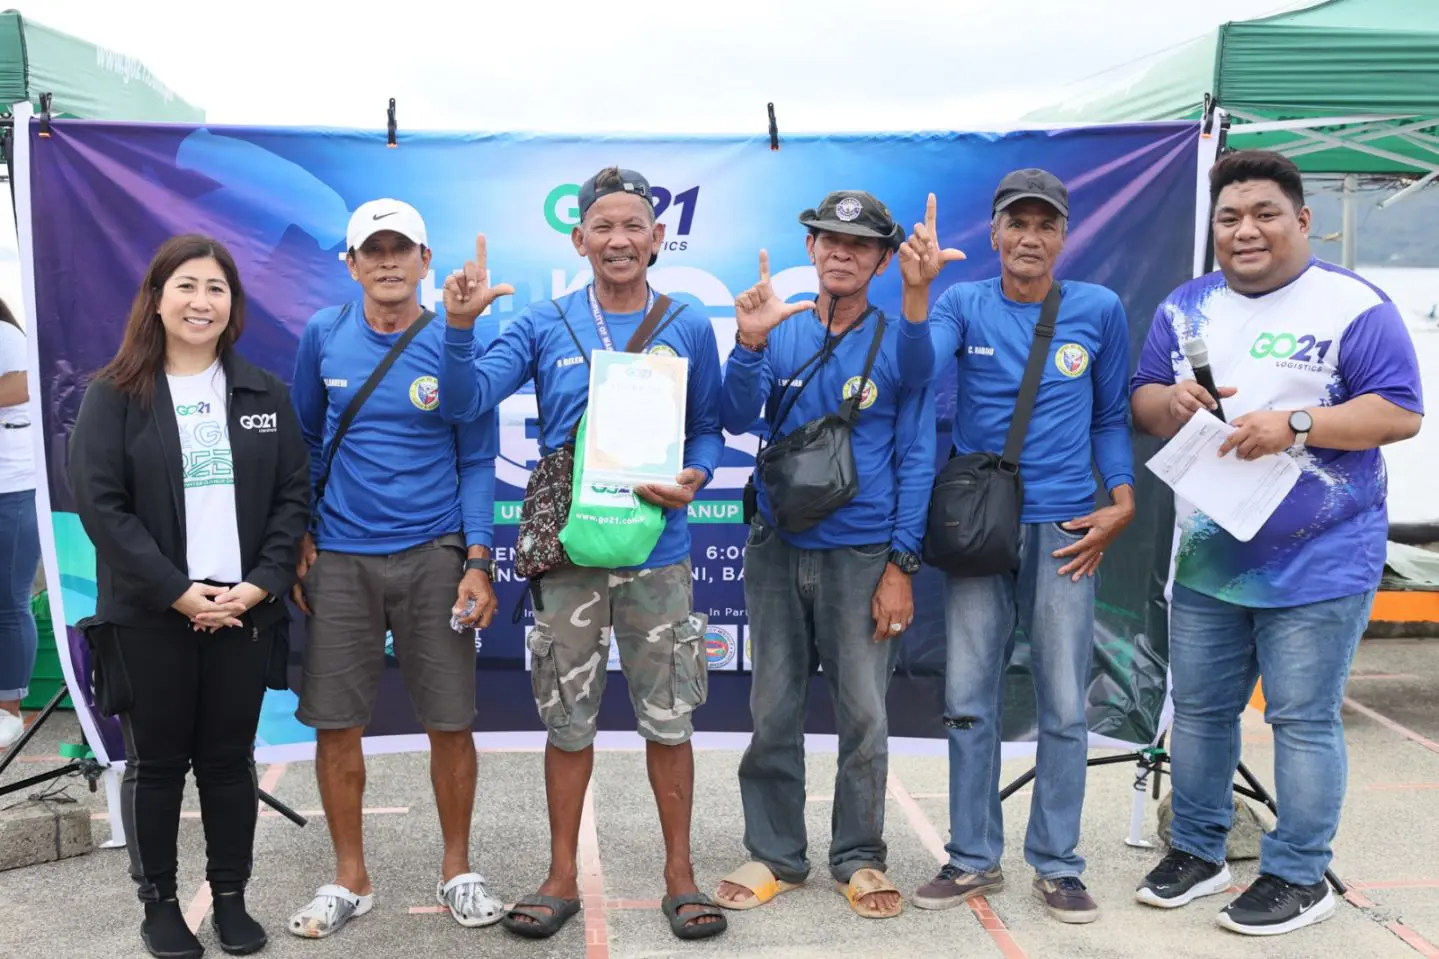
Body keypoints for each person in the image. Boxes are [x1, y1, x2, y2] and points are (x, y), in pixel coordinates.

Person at [1130, 150, 1423, 936]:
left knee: (1300, 719)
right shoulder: (1185, 307)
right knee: (1197, 711)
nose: (1244, 230)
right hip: (1209, 553)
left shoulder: (1351, 304)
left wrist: (1297, 422)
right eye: (1228, 217)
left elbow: (1398, 411)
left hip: (1321, 555)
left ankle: (1297, 872)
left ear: (1301, 219)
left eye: (1263, 213)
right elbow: (1144, 399)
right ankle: (1197, 849)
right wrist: (1172, 400)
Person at [438, 166, 728, 942]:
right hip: (568, 555)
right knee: (567, 721)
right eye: (602, 226)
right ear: (579, 239)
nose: (619, 239)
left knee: (669, 720)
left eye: (633, 225)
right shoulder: (545, 322)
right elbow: (466, 403)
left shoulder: (688, 321)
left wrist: (694, 474)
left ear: (658, 239)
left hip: (658, 550)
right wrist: (459, 329)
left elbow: (708, 426)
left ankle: (679, 876)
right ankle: (560, 874)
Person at [712, 191, 956, 919]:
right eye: (827, 240)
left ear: (882, 259)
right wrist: (748, 344)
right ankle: (775, 853)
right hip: (776, 547)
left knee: (864, 716)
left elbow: (917, 457)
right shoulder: (779, 328)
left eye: (858, 244)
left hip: (861, 556)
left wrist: (900, 566)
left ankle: (857, 856)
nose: (840, 252)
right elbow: (731, 414)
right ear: (811, 249)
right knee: (772, 708)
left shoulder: (902, 336)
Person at [67, 234, 310, 959]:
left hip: (242, 611)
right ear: (156, 297)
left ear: (233, 306)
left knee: (230, 759)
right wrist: (177, 592)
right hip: (150, 615)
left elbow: (292, 496)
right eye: (187, 285)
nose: (202, 301)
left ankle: (231, 895)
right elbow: (101, 506)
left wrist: (259, 584)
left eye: (217, 288)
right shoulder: (114, 395)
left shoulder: (264, 393)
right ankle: (160, 904)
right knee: (158, 762)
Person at [913, 169, 1135, 923]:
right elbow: (914, 373)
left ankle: (1058, 863)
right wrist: (915, 295)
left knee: (1065, 702)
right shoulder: (962, 302)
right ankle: (973, 856)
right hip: (983, 526)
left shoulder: (1097, 309)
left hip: (1068, 525)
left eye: (1045, 225)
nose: (1030, 237)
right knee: (966, 696)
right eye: (1017, 223)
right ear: (996, 234)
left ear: (1062, 236)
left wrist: (1122, 498)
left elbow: (1110, 415)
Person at [285, 199, 502, 937]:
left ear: (424, 259)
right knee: (336, 724)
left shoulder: (456, 338)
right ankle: (350, 877)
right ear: (350, 263)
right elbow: (306, 440)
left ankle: (457, 870)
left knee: (450, 720)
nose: (385, 260)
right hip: (341, 557)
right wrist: (304, 532)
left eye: (399, 248)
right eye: (370, 249)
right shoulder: (322, 334)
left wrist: (478, 558)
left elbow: (477, 459)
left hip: (436, 553)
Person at [0, 297, 40, 751]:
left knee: (9, 600)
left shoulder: (7, 335)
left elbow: (25, 385)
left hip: (12, 488)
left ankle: (9, 709)